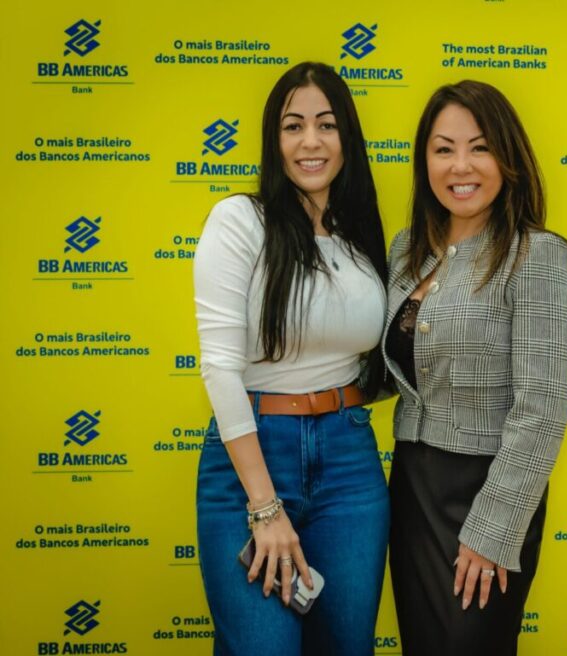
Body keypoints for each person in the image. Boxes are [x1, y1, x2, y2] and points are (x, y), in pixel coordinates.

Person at [193, 61, 389, 656]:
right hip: (255, 457)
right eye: (293, 126)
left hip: (350, 459)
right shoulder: (239, 220)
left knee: (346, 646)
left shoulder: (361, 238)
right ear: (272, 139)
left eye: (327, 125)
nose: (311, 142)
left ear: (347, 138)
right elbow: (219, 367)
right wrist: (264, 505)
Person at [384, 80, 567, 655]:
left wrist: (494, 529)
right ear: (424, 161)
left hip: (487, 490)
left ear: (508, 157)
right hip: (411, 487)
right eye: (443, 149)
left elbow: (543, 408)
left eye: (480, 147)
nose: (460, 166)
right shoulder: (406, 251)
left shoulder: (537, 254)